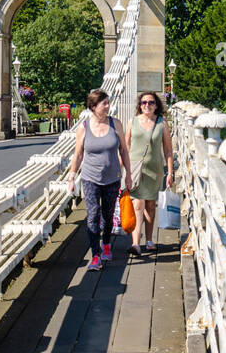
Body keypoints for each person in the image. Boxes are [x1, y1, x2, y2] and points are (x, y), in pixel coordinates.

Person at [67, 89, 132, 271]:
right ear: (93, 107)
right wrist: (72, 177)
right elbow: (78, 154)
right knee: (93, 216)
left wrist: (128, 176)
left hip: (112, 177)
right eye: (104, 103)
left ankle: (106, 244)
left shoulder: (115, 124)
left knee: (108, 215)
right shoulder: (84, 127)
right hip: (90, 178)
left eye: (108, 102)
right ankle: (95, 255)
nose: (108, 106)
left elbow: (124, 151)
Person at [125, 90, 173, 254]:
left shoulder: (162, 123)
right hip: (135, 170)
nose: (147, 105)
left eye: (151, 102)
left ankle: (150, 239)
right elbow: (125, 148)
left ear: (156, 105)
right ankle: (136, 243)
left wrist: (171, 173)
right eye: (144, 102)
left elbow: (168, 150)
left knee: (151, 205)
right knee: (138, 204)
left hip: (155, 170)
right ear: (140, 105)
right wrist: (124, 170)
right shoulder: (132, 122)